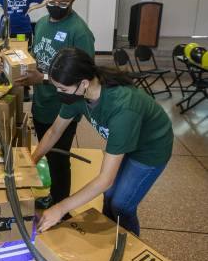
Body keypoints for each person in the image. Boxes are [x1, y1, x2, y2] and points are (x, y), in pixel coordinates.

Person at [35, 48, 174, 236]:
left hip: (150, 148)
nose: (59, 93)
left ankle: (132, 245)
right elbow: (54, 131)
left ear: (83, 83)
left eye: (63, 89)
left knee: (121, 204)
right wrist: (31, 160)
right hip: (126, 140)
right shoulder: (78, 94)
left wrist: (60, 208)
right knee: (109, 197)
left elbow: (105, 179)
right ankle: (110, 235)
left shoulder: (123, 107)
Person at [14, 0, 95, 210]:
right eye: (51, 1)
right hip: (42, 103)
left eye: (63, 3)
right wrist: (26, 72)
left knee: (59, 159)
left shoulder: (79, 31)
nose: (56, 6)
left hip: (65, 107)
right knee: (49, 155)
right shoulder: (40, 24)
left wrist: (44, 78)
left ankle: (61, 206)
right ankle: (54, 196)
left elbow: (84, 77)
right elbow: (38, 59)